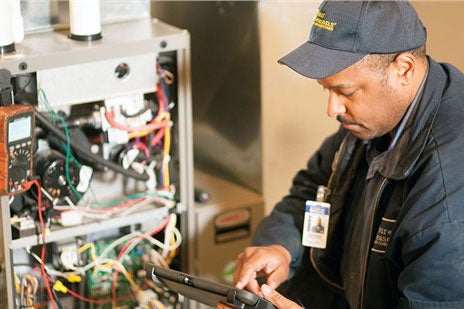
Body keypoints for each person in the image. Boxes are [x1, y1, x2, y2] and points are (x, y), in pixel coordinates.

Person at [226, 1, 464, 308]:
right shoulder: (375, 121)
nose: (332, 109)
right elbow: (313, 190)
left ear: (403, 68)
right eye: (326, 90)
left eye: (346, 92)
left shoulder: (449, 187)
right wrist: (279, 246)